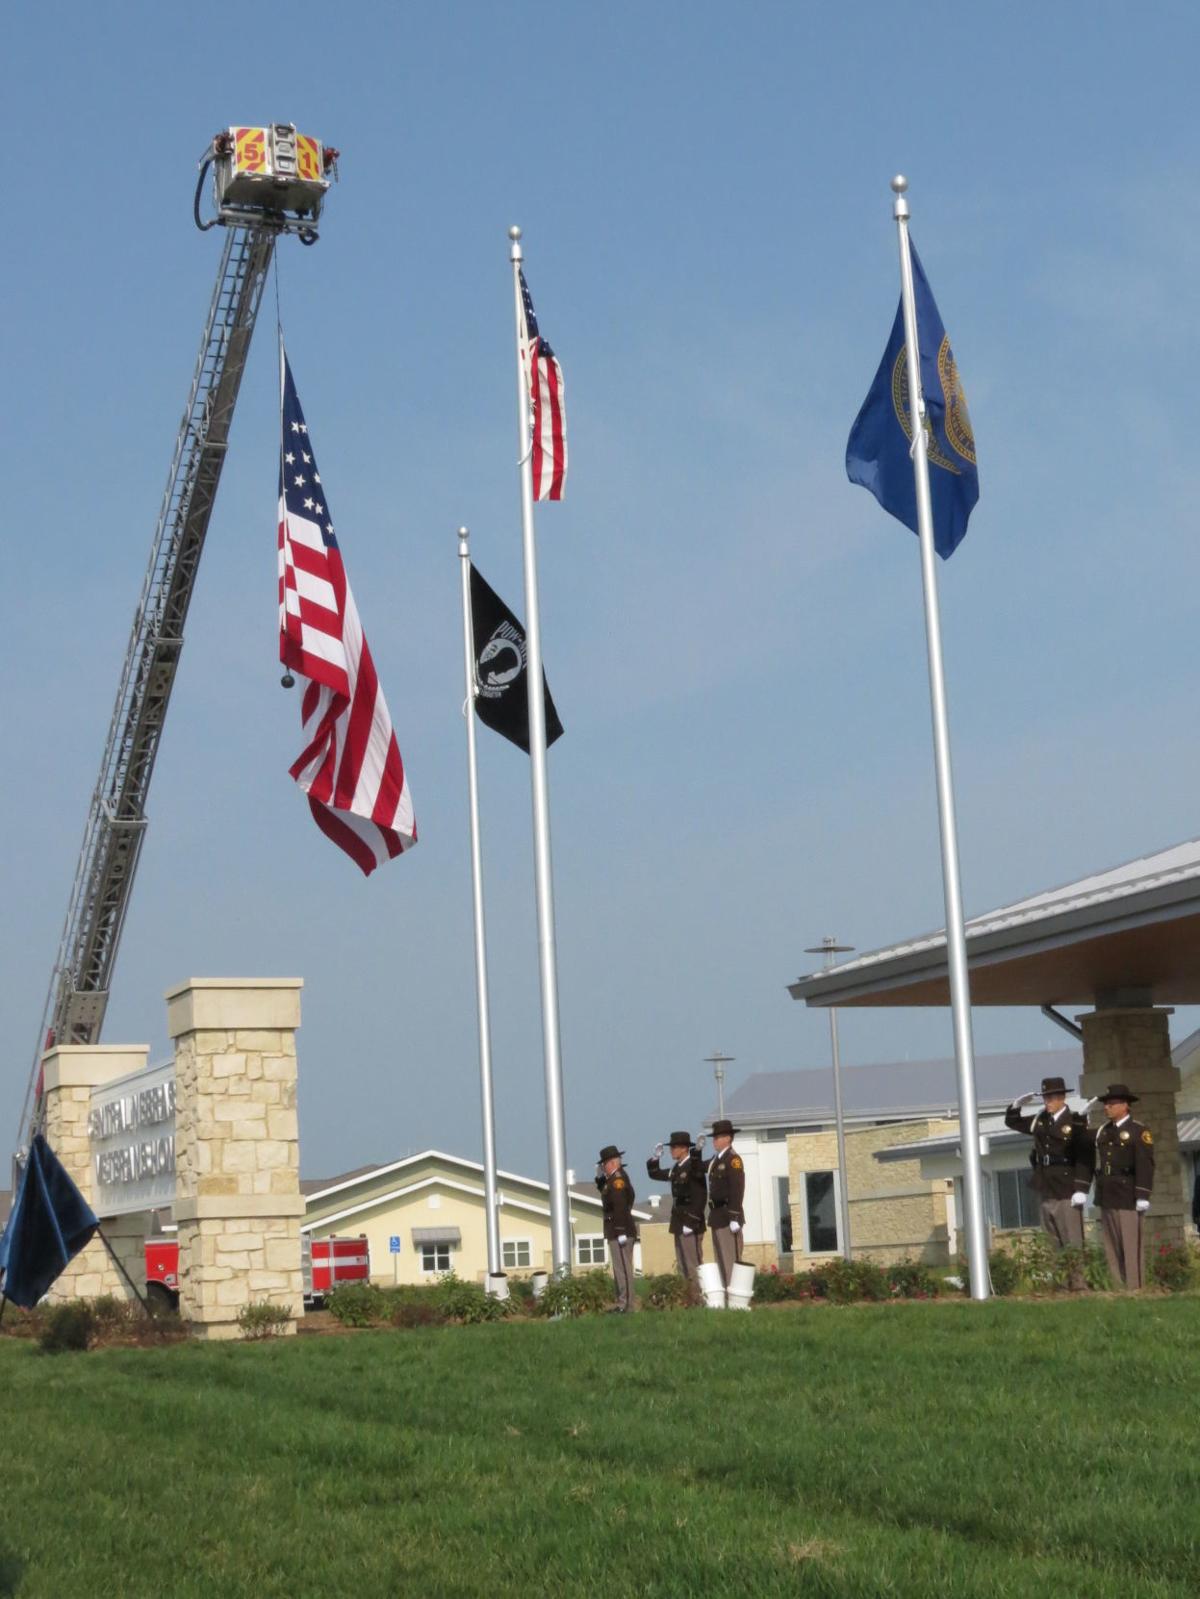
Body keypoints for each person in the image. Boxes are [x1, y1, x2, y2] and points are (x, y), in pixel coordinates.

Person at [1004, 1075, 1093, 1248]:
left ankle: (1076, 1268)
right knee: (1052, 1243)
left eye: (1051, 1098)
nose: (1047, 1102)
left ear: (1062, 1098)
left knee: (1072, 1243)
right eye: (1045, 1098)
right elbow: (1013, 1122)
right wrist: (1016, 1107)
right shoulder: (1041, 1119)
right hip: (1045, 1185)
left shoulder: (1074, 1121)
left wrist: (1082, 1188)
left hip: (1066, 1187)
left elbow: (1084, 1155)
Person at [1093, 1083, 1154, 1289]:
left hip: (1127, 1193)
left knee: (1130, 1243)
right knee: (1111, 1244)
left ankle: (1134, 1287)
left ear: (1125, 1105)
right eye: (1106, 1104)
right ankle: (1117, 1285)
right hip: (1107, 1192)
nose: (1106, 1107)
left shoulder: (1138, 1130)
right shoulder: (1104, 1131)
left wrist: (1143, 1194)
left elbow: (1145, 1163)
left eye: (1111, 1104)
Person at [646, 1131, 707, 1283]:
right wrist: (655, 1158)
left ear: (684, 1148)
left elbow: (700, 1195)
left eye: (674, 1147)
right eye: (671, 1147)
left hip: (691, 1222)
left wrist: (691, 1221)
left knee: (693, 1264)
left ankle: (698, 1294)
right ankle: (688, 1294)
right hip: (679, 1220)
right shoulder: (676, 1168)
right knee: (682, 1264)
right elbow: (655, 1174)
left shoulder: (693, 1166)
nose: (671, 1150)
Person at [595, 1144, 638, 1313]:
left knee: (623, 1269)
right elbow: (606, 1192)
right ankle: (622, 1303)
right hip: (615, 1229)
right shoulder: (612, 1180)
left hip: (621, 1230)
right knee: (619, 1269)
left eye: (604, 1164)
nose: (603, 1167)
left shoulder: (618, 1180)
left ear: (612, 1163)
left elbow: (620, 1205)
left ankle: (627, 1305)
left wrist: (620, 1230)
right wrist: (599, 1179)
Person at [705, 1118, 746, 1288]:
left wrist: (734, 1216)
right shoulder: (716, 1160)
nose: (714, 1141)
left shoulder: (733, 1159)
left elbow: (737, 1187)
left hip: (728, 1215)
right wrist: (696, 1151)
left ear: (728, 1138)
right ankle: (725, 1295)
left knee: (731, 1261)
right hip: (717, 1216)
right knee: (720, 1260)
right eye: (714, 1138)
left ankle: (734, 1296)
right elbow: (697, 1166)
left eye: (718, 1137)